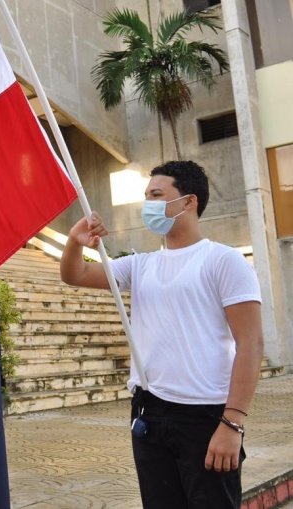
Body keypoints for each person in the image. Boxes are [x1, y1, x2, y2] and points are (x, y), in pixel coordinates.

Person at [60, 160, 263, 508]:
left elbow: (251, 343)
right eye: (146, 196)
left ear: (189, 201)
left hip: (205, 416)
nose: (148, 205)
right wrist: (75, 242)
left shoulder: (223, 261)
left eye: (156, 195)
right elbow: (74, 274)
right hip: (149, 413)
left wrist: (233, 423)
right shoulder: (141, 265)